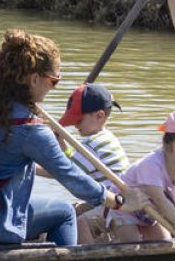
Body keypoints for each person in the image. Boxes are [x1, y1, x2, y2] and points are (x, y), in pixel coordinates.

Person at [0, 29, 146, 246]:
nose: (54, 87)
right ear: (35, 79)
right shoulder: (32, 130)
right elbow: (72, 178)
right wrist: (120, 202)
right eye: (54, 81)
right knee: (66, 213)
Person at [54, 83, 131, 244]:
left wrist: (32, 167)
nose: (75, 125)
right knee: (73, 208)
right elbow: (73, 163)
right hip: (110, 201)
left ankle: (87, 252)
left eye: (79, 120)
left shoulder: (93, 143)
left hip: (113, 206)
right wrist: (62, 145)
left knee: (76, 222)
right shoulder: (105, 137)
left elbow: (65, 171)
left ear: (100, 116)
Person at [105, 111, 175, 241]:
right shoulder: (152, 164)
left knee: (163, 244)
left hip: (151, 216)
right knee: (132, 245)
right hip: (124, 210)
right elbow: (161, 201)